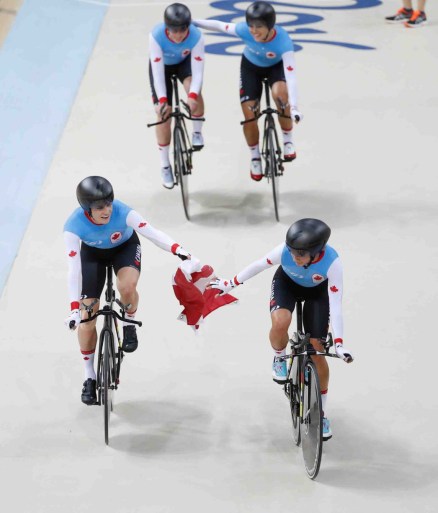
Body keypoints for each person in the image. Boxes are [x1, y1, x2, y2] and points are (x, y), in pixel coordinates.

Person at [209, 218, 353, 440]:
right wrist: (231, 283)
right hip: (287, 284)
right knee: (280, 323)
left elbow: (336, 303)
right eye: (292, 251)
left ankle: (321, 413)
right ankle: (279, 357)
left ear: (316, 252)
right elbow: (258, 265)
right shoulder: (284, 252)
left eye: (301, 254)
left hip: (318, 294)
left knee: (317, 351)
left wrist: (340, 344)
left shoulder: (333, 263)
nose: (294, 257)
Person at [63, 176, 193, 405]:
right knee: (86, 318)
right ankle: (89, 376)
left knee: (127, 286)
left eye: (109, 204)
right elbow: (74, 271)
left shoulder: (124, 212)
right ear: (87, 210)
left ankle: (129, 322)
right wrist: (74, 309)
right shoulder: (73, 226)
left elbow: (152, 233)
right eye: (100, 207)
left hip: (125, 248)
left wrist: (178, 249)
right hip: (92, 256)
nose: (107, 210)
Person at [194, 1, 302, 182]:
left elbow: (291, 78)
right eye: (251, 26)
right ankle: (255, 157)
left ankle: (288, 140)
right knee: (250, 114)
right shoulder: (245, 30)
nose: (253, 30)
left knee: (281, 97)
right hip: (251, 68)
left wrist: (296, 108)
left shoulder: (284, 42)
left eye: (259, 26)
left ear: (270, 26)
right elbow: (220, 26)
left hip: (276, 69)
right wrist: (193, 21)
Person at [149, 3, 205, 189]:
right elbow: (157, 72)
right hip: (162, 69)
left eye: (183, 30)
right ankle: (165, 165)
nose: (179, 34)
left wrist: (193, 95)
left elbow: (198, 72)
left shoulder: (196, 36)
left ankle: (197, 132)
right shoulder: (156, 36)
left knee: (194, 91)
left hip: (184, 64)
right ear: (167, 28)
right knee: (163, 115)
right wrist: (162, 100)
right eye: (175, 30)